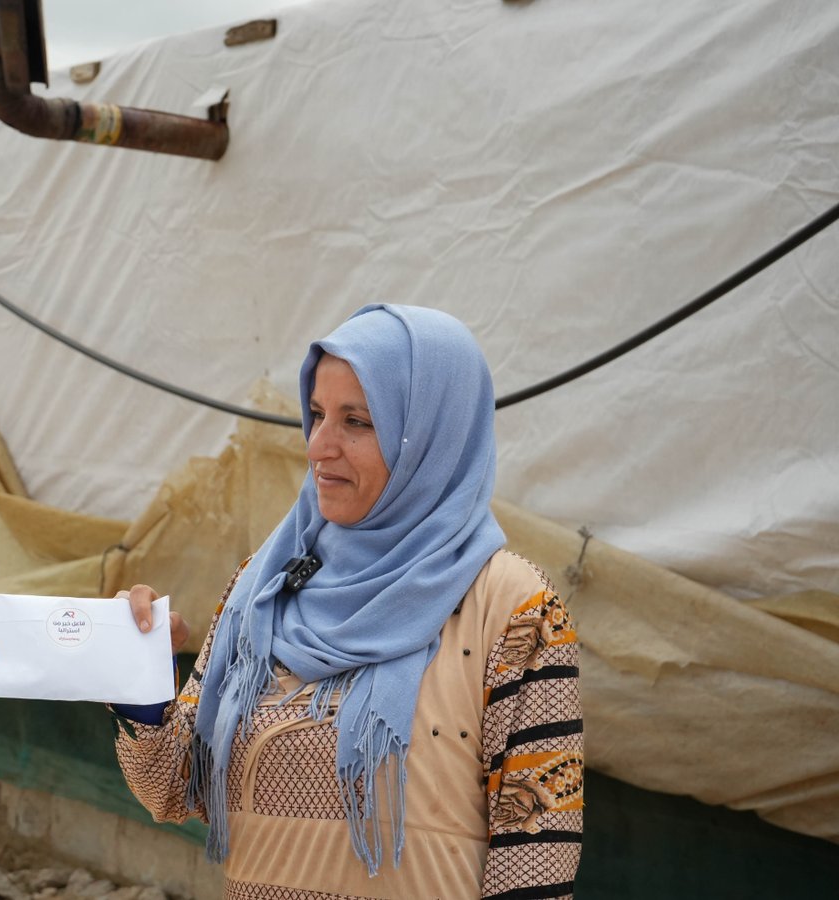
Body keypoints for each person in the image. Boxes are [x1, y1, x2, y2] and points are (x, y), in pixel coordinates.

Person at [115, 304, 584, 899]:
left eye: (357, 421)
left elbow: (537, 859)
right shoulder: (263, 587)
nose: (318, 447)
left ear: (433, 435)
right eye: (316, 414)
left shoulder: (514, 610)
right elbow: (172, 789)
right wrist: (138, 677)